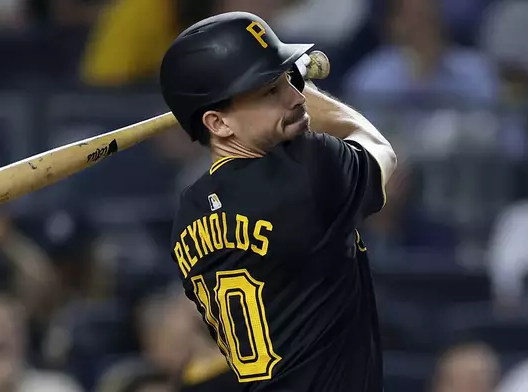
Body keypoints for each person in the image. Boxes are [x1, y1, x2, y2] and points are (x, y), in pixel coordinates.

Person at [160, 11, 397, 392]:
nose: (294, 96)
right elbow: (380, 150)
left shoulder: (189, 212)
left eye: (288, 79)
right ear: (218, 123)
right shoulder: (309, 165)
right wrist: (316, 98)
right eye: (270, 90)